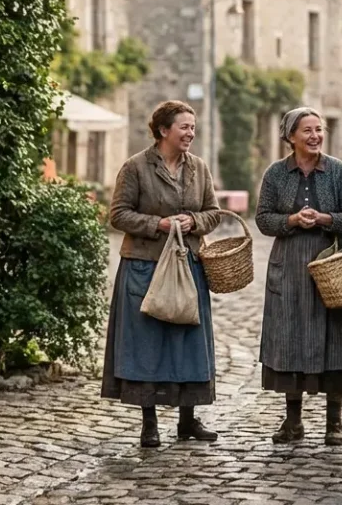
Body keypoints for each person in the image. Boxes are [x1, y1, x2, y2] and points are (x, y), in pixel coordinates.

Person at [102, 100, 225, 448]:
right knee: (147, 344)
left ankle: (188, 420)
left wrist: (194, 221)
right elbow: (118, 215)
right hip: (144, 266)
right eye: (185, 126)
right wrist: (158, 224)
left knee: (187, 343)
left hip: (188, 266)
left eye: (193, 126)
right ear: (163, 130)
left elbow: (213, 212)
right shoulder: (136, 167)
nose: (191, 133)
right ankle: (149, 423)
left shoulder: (199, 168)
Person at [255, 107, 342, 447]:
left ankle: (335, 422)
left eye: (319, 129)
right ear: (290, 137)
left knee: (336, 337)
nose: (316, 135)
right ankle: (293, 421)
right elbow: (262, 219)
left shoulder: (338, 171)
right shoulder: (276, 174)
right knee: (290, 337)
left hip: (332, 267)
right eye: (308, 130)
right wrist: (290, 221)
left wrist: (324, 219)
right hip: (289, 267)